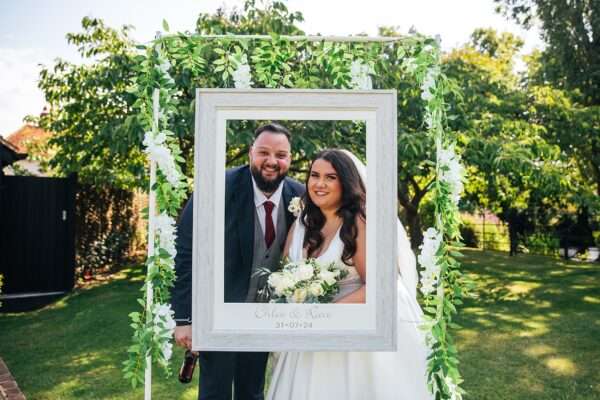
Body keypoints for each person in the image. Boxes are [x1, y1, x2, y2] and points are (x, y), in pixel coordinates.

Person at [266, 149, 433, 400]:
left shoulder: (359, 222)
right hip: (309, 333)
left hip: (356, 333)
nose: (319, 184)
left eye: (330, 177)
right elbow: (286, 271)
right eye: (314, 175)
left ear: (346, 182)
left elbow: (377, 286)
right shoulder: (303, 222)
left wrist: (323, 314)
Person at [171, 123, 305, 400]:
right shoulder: (217, 188)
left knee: (252, 391)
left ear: (290, 159)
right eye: (263, 152)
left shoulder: (301, 196)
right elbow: (185, 252)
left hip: (266, 316)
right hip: (218, 312)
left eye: (281, 155)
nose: (271, 161)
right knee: (215, 393)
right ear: (249, 153)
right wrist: (184, 319)